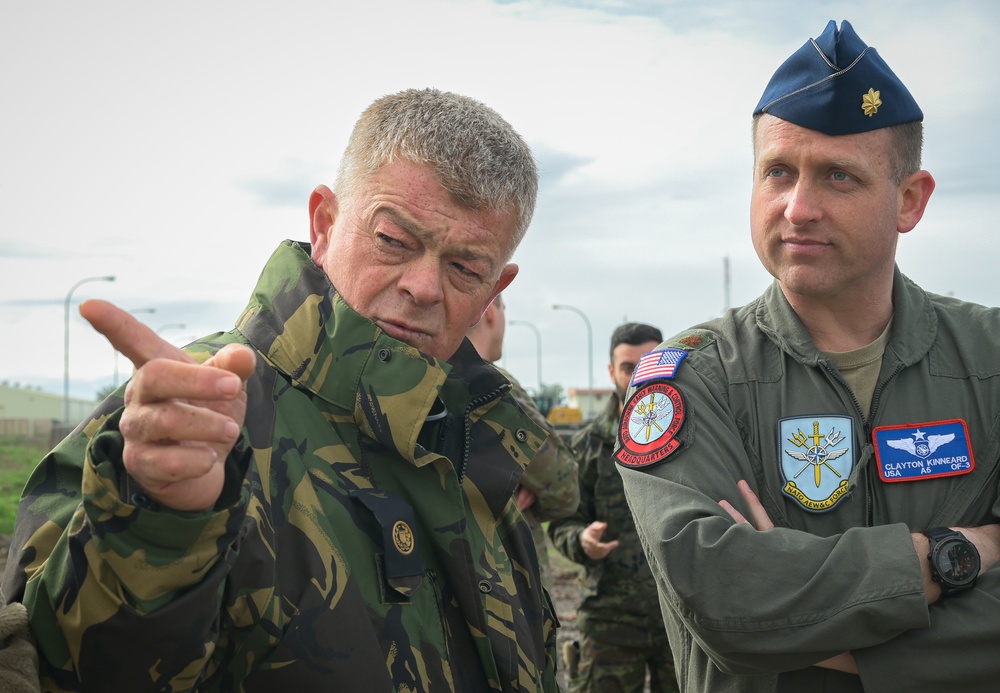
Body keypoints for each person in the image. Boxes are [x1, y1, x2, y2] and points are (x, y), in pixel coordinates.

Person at [2, 88, 559, 692]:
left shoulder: (477, 435)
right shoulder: (184, 415)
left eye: (465, 268)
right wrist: (160, 521)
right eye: (393, 241)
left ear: (496, 286)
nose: (423, 287)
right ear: (324, 224)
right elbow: (69, 670)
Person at [616, 20, 1000, 692]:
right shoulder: (689, 378)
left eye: (838, 177)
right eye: (778, 172)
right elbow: (728, 600)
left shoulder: (990, 359)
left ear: (910, 200)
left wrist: (816, 634)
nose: (798, 207)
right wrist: (958, 553)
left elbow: (763, 619)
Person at [548, 322, 677, 692]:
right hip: (610, 620)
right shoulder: (588, 446)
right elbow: (562, 519)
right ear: (611, 372)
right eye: (627, 367)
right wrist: (581, 540)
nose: (639, 375)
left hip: (682, 617)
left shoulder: (694, 438)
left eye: (649, 363)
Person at [466, 294, 580, 589]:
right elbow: (564, 488)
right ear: (490, 309)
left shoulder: (413, 375)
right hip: (507, 582)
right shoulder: (493, 386)